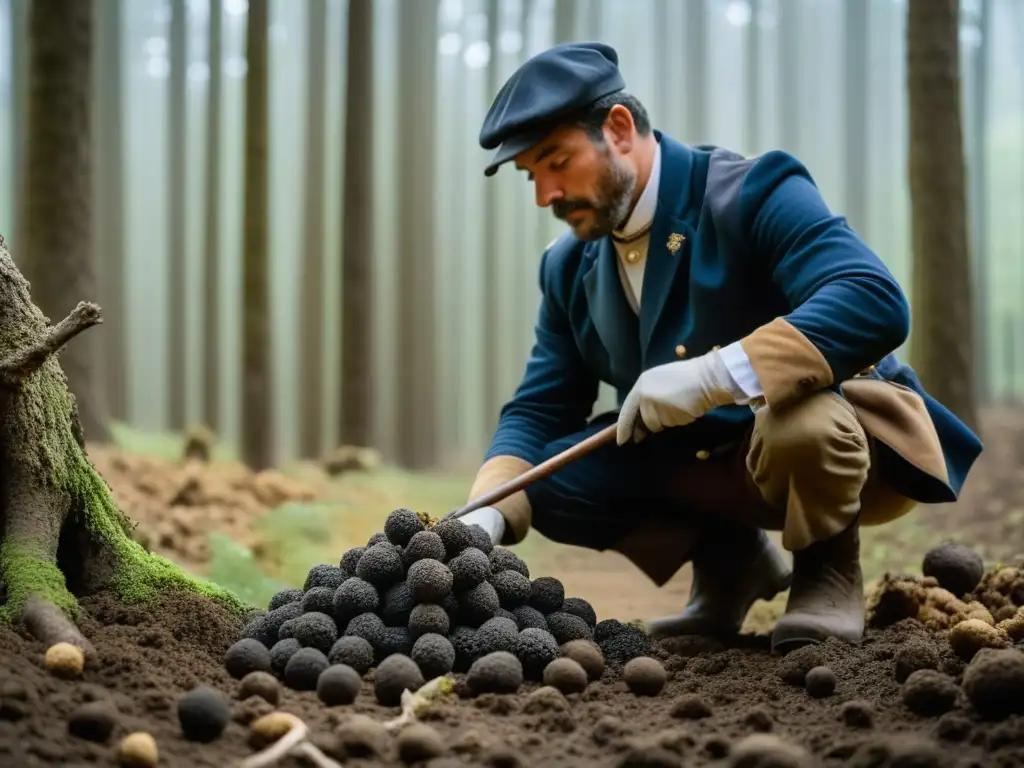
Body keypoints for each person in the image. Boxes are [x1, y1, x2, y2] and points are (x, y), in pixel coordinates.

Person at [458, 41, 983, 653]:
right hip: (707, 463)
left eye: (556, 162)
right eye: (532, 175)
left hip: (840, 449)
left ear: (620, 129)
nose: (545, 195)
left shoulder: (754, 189)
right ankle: (732, 565)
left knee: (801, 424)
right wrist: (489, 506)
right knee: (547, 480)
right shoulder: (568, 266)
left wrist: (717, 374)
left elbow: (871, 296)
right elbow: (541, 404)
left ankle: (826, 570)